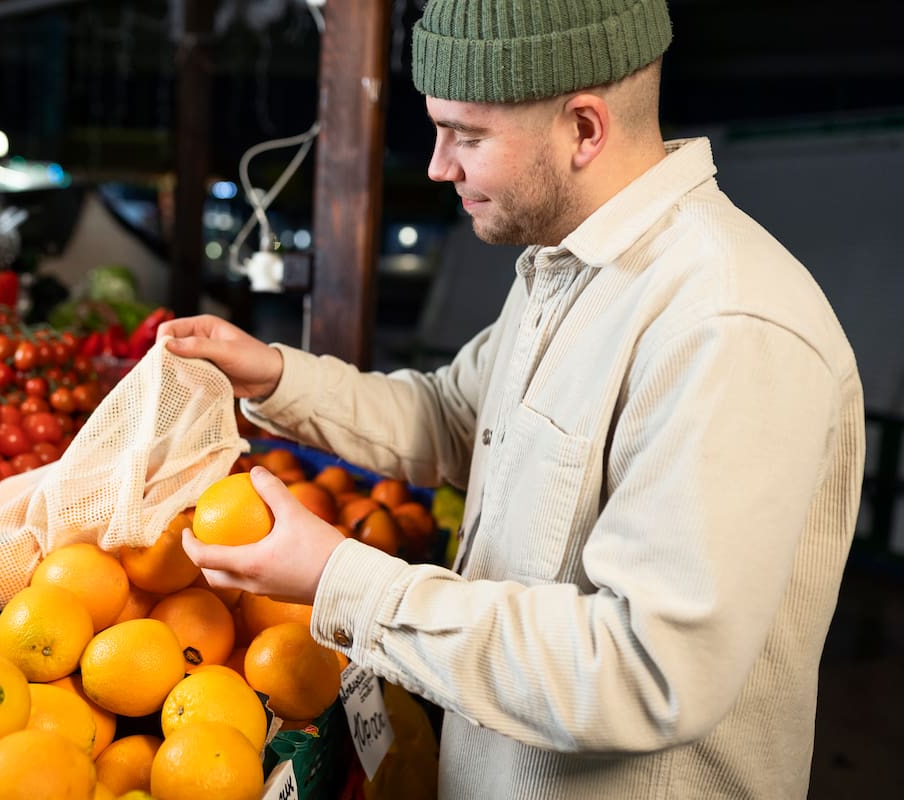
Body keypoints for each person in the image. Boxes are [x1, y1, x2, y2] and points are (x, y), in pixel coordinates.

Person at [158, 0, 865, 796]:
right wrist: (278, 377)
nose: (437, 165)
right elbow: (454, 417)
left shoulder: (725, 326)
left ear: (584, 130)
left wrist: (341, 580)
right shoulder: (562, 271)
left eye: (467, 134)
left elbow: (649, 671)